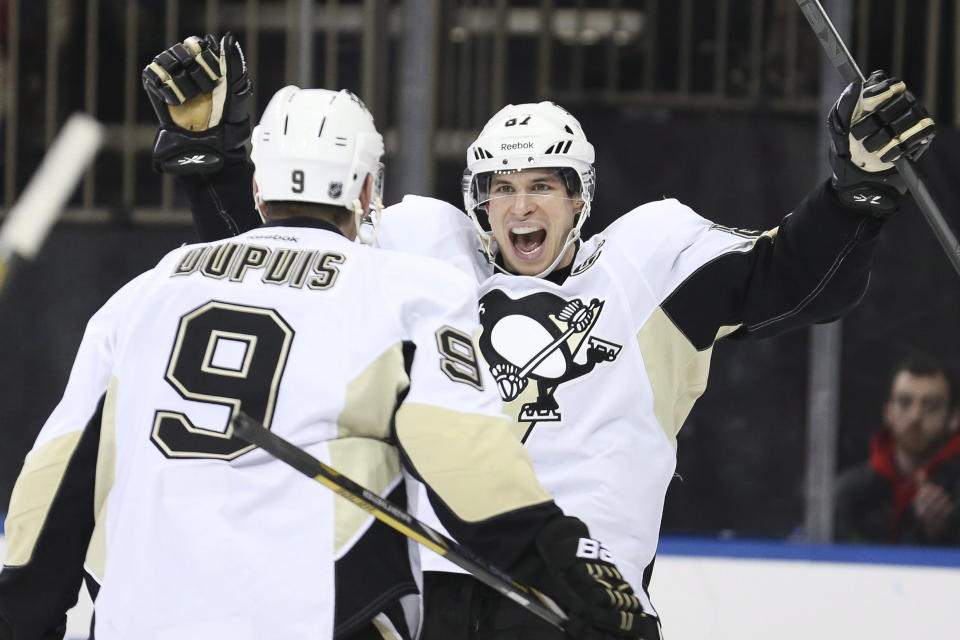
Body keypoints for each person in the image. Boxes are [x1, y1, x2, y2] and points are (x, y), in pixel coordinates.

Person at [149, 33, 936, 639]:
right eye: (501, 189)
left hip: (580, 600)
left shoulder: (647, 264)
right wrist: (214, 166)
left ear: (579, 196)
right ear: (478, 198)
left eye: (541, 187)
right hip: (436, 592)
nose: (520, 208)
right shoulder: (426, 252)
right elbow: (283, 270)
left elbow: (794, 280)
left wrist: (854, 194)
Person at [0, 36, 654, 640]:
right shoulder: (406, 293)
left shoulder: (139, 298)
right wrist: (578, 570)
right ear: (369, 188)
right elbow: (470, 467)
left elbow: (51, 493)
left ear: (258, 186)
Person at [835, 358, 960, 546]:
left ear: (953, 418)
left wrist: (943, 535)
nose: (915, 416)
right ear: (888, 412)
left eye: (931, 405)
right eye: (904, 402)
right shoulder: (850, 492)